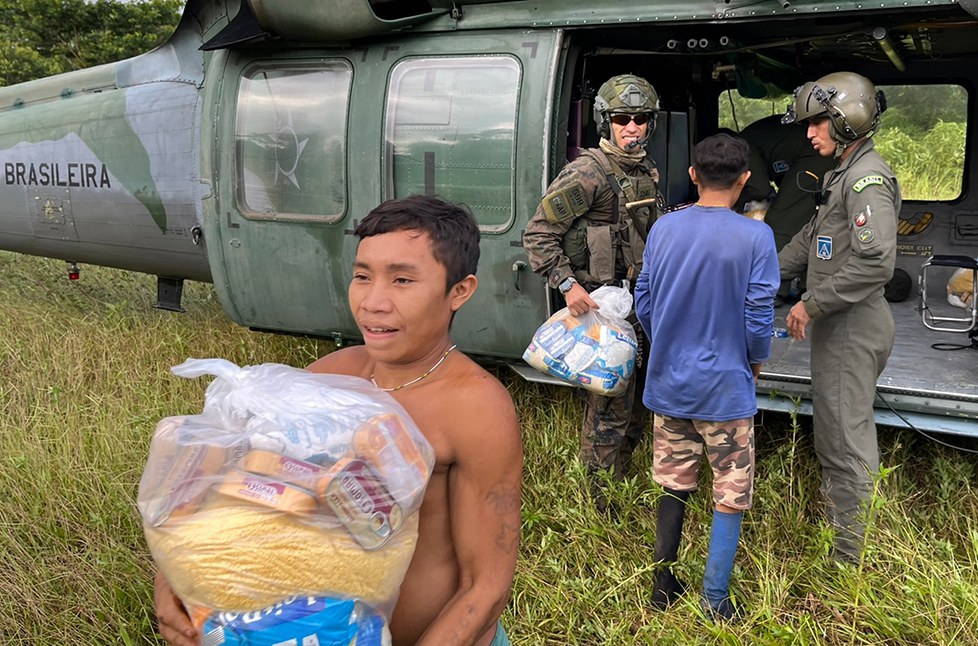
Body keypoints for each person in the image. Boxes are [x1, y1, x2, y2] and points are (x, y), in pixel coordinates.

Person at [154, 195, 523, 646]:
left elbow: (484, 587)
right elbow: (232, 495)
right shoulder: (331, 376)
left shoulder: (476, 407)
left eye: (402, 280)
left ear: (459, 291)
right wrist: (172, 580)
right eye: (362, 276)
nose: (373, 302)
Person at [634, 133, 779, 620]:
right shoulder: (757, 236)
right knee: (730, 494)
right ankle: (715, 600)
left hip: (669, 385)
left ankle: (662, 585)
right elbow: (758, 315)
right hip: (726, 390)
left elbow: (644, 299)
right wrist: (754, 361)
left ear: (694, 176)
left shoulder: (663, 229)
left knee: (673, 482)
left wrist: (668, 341)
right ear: (744, 180)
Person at [522, 74, 662, 513]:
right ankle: (599, 503)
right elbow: (538, 233)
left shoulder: (643, 169)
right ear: (606, 121)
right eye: (622, 118)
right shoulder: (587, 172)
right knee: (609, 406)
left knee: (638, 402)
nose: (632, 127)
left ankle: (619, 480)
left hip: (638, 302)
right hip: (603, 307)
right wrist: (568, 285)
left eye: (641, 119)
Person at [777, 71, 901, 563]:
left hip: (852, 325)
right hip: (840, 324)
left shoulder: (868, 179)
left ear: (847, 121)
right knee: (836, 430)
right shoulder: (841, 175)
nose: (809, 133)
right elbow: (811, 239)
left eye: (817, 123)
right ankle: (847, 542)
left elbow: (876, 263)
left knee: (845, 442)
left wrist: (811, 303)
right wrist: (759, 273)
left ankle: (850, 558)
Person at [736, 115, 837, 253]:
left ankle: (774, 267)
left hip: (814, 154)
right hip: (808, 154)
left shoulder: (740, 146)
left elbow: (760, 189)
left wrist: (733, 203)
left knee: (781, 221)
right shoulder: (753, 138)